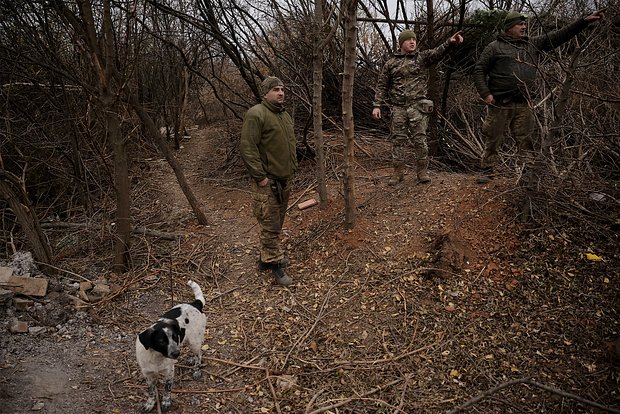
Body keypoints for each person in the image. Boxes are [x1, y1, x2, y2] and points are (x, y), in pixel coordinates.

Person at [473, 9, 605, 183]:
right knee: (493, 139)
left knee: (526, 140)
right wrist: (485, 94)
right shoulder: (494, 47)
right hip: (499, 103)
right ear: (509, 27)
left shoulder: (532, 44)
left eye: (524, 24)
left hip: (524, 103)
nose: (524, 27)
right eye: (520, 24)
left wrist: (583, 21)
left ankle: (528, 174)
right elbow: (479, 70)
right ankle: (487, 170)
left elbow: (559, 36)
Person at [372, 29, 464, 185]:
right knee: (398, 141)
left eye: (414, 39)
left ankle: (422, 172)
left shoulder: (422, 58)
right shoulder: (391, 63)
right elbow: (381, 85)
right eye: (409, 40)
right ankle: (398, 173)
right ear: (401, 43)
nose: (412, 42)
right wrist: (376, 105)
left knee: (420, 141)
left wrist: (449, 42)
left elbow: (437, 52)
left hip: (417, 107)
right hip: (398, 108)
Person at [240, 77, 297, 286]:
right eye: (275, 89)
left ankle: (265, 259)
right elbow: (248, 147)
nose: (281, 93)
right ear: (266, 93)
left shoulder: (284, 115)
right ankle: (274, 264)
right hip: (268, 182)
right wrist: (260, 176)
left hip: (284, 179)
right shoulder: (256, 114)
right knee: (270, 225)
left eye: (282, 89)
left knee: (277, 222)